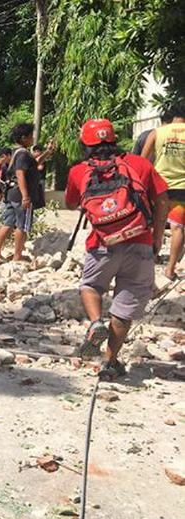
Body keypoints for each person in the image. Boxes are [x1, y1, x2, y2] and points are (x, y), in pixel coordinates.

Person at [66, 118, 168, 379]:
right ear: (114, 139)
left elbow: (70, 203)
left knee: (90, 286)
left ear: (85, 143)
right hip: (140, 241)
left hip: (102, 243)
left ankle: (96, 322)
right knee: (124, 309)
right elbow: (162, 198)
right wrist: (157, 237)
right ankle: (110, 363)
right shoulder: (140, 164)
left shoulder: (79, 170)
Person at [0, 124, 53, 263]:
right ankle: (17, 256)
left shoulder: (18, 152)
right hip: (20, 195)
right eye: (31, 135)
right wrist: (25, 196)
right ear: (24, 138)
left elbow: (34, 164)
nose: (33, 138)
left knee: (8, 223)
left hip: (12, 194)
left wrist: (47, 153)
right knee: (22, 225)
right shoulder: (23, 154)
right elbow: (20, 174)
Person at [141, 104, 185, 280]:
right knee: (178, 228)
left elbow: (141, 161)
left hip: (159, 187)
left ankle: (153, 259)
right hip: (182, 188)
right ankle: (170, 269)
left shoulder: (158, 132)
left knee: (157, 225)